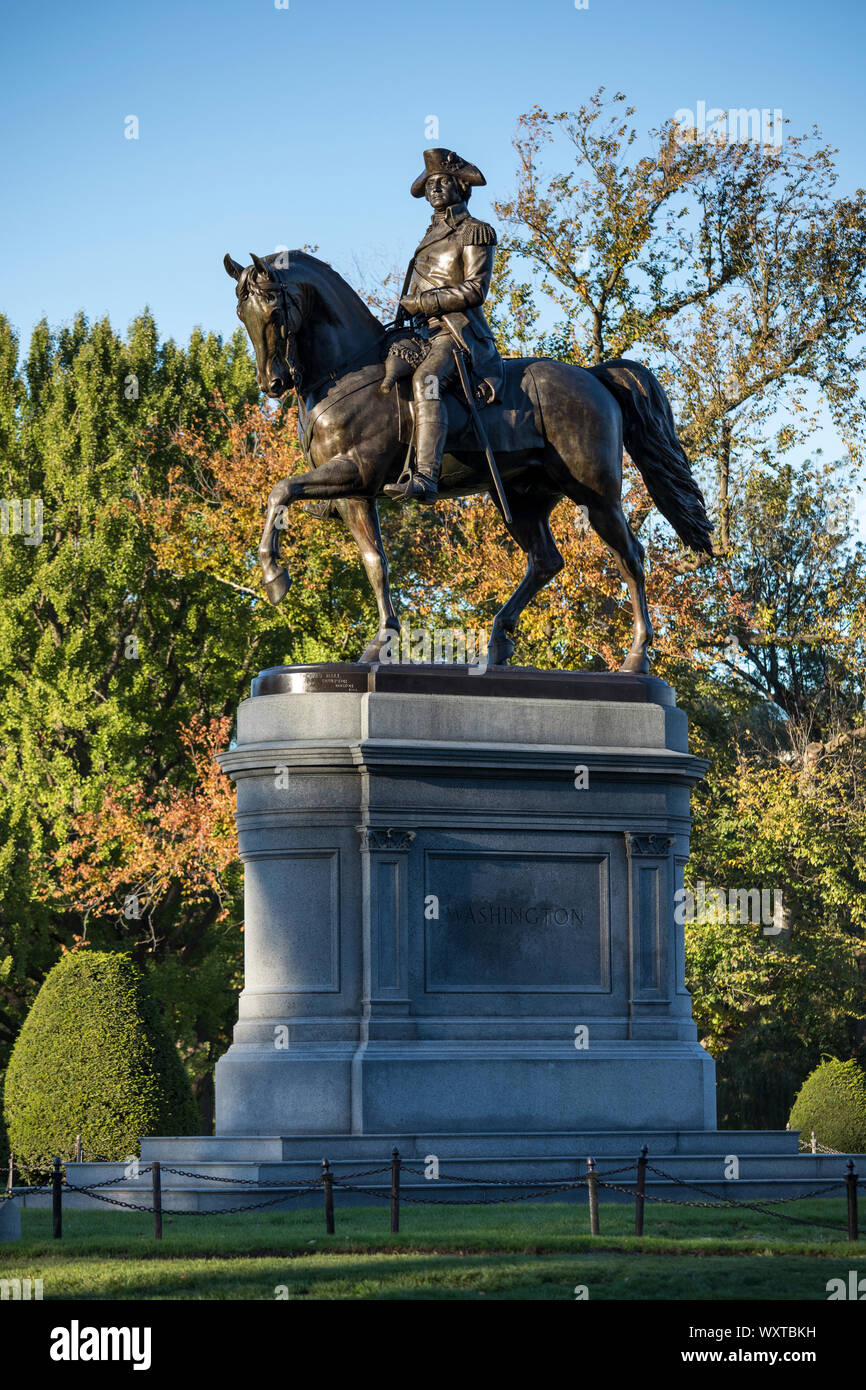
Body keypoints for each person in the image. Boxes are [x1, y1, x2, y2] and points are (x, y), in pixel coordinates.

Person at [384, 148, 503, 503]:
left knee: (426, 380)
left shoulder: (475, 231)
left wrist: (424, 303)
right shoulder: (428, 236)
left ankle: (425, 477)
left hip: (457, 332)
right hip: (421, 331)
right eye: (431, 184)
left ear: (460, 188)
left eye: (443, 182)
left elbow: (475, 290)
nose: (435, 189)